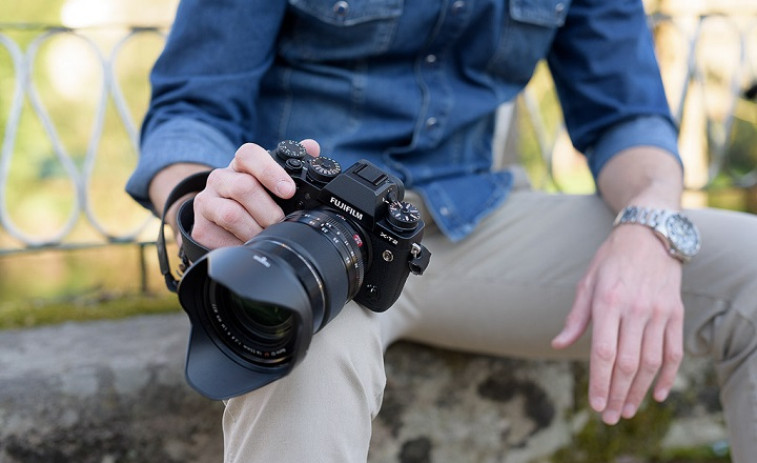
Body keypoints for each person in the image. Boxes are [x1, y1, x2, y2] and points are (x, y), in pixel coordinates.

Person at [127, 0, 757, 461]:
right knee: (291, 346)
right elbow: (193, 107)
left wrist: (649, 223)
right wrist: (200, 204)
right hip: (303, 235)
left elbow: (629, 117)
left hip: (467, 221)